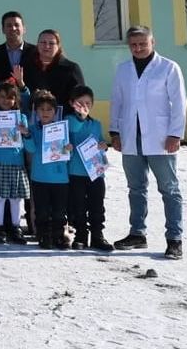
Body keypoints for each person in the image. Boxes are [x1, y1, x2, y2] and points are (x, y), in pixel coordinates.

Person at [109, 26, 186, 260]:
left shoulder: (168, 68)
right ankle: (137, 233)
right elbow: (117, 102)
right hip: (131, 136)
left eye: (143, 43)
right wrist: (115, 131)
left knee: (169, 189)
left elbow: (179, 103)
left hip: (161, 138)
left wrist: (175, 134)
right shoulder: (123, 70)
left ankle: (174, 239)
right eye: (133, 44)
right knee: (136, 188)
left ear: (153, 42)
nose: (138, 48)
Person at [0, 80, 31, 245]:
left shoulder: (21, 117)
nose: (6, 101)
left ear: (15, 100)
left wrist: (25, 132)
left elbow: (27, 139)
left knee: (15, 198)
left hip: (16, 164)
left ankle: (16, 227)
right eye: (2, 97)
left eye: (10, 98)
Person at [66, 86, 112, 252]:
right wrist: (81, 117)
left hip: (96, 172)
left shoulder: (96, 123)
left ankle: (98, 235)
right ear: (72, 103)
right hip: (76, 171)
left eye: (87, 103)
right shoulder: (69, 121)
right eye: (79, 103)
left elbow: (100, 141)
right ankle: (81, 236)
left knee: (97, 205)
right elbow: (75, 129)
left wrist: (103, 146)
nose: (84, 106)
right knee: (78, 205)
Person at [23, 91, 70, 250]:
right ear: (36, 111)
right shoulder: (33, 129)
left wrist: (68, 148)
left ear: (55, 112)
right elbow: (31, 149)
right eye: (41, 109)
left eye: (49, 109)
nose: (45, 113)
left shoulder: (62, 129)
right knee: (42, 211)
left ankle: (58, 235)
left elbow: (67, 154)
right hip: (40, 177)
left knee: (59, 211)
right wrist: (27, 136)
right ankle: (43, 235)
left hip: (60, 178)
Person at [25, 29, 85, 107]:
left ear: (58, 46)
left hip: (63, 117)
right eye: (43, 42)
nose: (47, 46)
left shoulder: (71, 69)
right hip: (32, 116)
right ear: (37, 44)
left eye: (51, 43)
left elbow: (80, 97)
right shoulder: (27, 67)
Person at [0, 11, 36, 83]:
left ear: (24, 29)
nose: (13, 28)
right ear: (3, 30)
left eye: (17, 25)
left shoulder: (35, 51)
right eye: (9, 25)